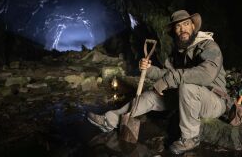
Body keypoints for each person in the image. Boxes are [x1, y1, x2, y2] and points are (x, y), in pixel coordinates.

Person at [87, 10, 228, 155]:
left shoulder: (209, 46)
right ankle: (110, 120)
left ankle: (190, 138)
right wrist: (149, 69)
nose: (182, 29)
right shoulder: (179, 52)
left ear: (193, 26)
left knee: (187, 87)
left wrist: (168, 81)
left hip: (214, 100)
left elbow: (206, 74)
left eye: (186, 24)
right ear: (174, 31)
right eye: (178, 27)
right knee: (150, 96)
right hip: (187, 98)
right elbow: (168, 74)